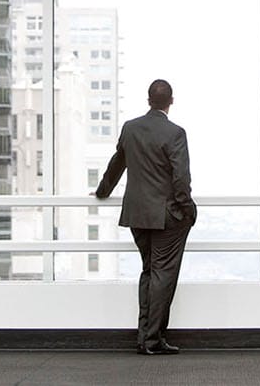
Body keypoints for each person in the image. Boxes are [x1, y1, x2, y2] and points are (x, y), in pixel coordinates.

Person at [94, 78, 196, 355]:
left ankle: (146, 337)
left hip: (137, 215)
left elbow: (117, 164)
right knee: (163, 276)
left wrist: (102, 191)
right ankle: (152, 340)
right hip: (166, 217)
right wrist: (188, 210)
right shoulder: (175, 133)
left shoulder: (130, 128)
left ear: (149, 100)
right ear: (171, 101)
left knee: (150, 271)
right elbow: (181, 179)